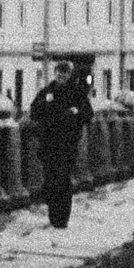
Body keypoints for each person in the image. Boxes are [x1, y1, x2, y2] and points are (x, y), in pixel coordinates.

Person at [34, 62, 91, 232]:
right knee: (51, 179)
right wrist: (46, 105)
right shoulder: (46, 92)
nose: (62, 76)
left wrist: (76, 113)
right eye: (59, 73)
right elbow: (34, 111)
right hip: (49, 143)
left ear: (69, 75)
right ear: (55, 73)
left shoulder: (77, 93)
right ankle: (53, 216)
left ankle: (62, 219)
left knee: (63, 179)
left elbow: (88, 114)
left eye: (65, 73)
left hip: (67, 143)